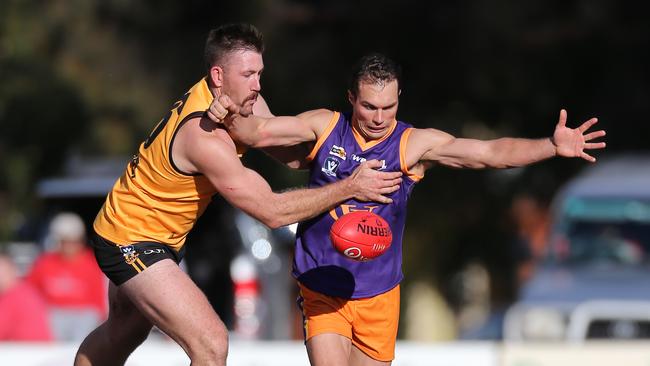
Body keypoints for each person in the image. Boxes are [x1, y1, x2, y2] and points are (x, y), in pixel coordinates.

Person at [210, 52, 606, 365]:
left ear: (399, 99)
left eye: (389, 106)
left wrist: (551, 146)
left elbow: (488, 153)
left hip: (379, 296)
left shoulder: (412, 145)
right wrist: (222, 109)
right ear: (351, 99)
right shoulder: (324, 126)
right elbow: (257, 131)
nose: (379, 118)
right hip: (322, 287)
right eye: (368, 107)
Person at [74, 25, 402, 366]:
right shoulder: (202, 139)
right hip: (131, 237)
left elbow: (291, 155)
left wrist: (348, 157)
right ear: (218, 75)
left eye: (259, 73)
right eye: (247, 74)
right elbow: (272, 212)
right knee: (211, 344)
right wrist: (350, 187)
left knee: (124, 330)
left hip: (149, 231)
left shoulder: (246, 101)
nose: (257, 84)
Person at [27, 212, 107, 341]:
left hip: (83, 314)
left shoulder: (91, 263)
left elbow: (99, 299)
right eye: (66, 241)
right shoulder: (45, 263)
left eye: (74, 241)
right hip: (53, 313)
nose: (70, 246)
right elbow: (30, 293)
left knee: (83, 333)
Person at [0, 253, 53, 341]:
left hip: (25, 350)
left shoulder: (13, 296)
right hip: (35, 349)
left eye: (2, 273)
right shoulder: (26, 290)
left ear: (12, 271)